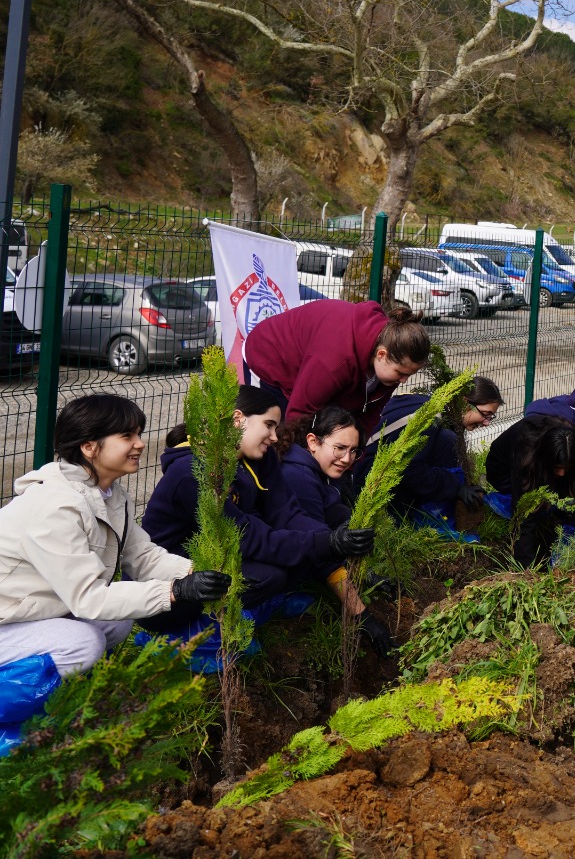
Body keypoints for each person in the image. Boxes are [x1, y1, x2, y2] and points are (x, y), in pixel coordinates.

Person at [0, 396, 226, 743]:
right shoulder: (54, 507)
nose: (139, 444)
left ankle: (65, 702)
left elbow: (145, 557)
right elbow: (88, 599)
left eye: (138, 433)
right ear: (89, 446)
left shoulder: (106, 494)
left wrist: (204, 573)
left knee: (119, 621)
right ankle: (23, 724)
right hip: (7, 619)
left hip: (29, 611)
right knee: (83, 643)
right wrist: (175, 592)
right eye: (127, 436)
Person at [141, 385, 389, 657]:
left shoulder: (258, 457)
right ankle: (194, 637)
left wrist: (334, 543)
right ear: (238, 420)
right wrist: (328, 543)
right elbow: (250, 538)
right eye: (268, 425)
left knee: (298, 560)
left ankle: (263, 606)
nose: (274, 436)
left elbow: (287, 514)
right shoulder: (192, 474)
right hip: (171, 587)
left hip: (221, 558)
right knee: (271, 574)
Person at [242, 300, 431, 441]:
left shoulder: (389, 365)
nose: (404, 380)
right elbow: (299, 412)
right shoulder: (335, 359)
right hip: (271, 360)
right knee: (271, 436)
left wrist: (352, 461)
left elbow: (368, 417)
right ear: (381, 355)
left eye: (409, 374)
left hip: (312, 372)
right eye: (401, 373)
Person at [354, 376, 504, 541]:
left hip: (366, 468)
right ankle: (428, 522)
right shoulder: (429, 418)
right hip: (366, 478)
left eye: (491, 417)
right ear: (465, 402)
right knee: (448, 443)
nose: (486, 423)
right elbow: (410, 470)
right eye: (486, 414)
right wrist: (456, 488)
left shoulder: (428, 403)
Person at [484, 414, 575, 566]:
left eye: (566, 468)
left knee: (569, 502)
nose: (561, 473)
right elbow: (523, 516)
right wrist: (526, 569)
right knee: (533, 509)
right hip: (503, 471)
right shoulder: (525, 452)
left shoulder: (573, 437)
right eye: (558, 468)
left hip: (542, 465)